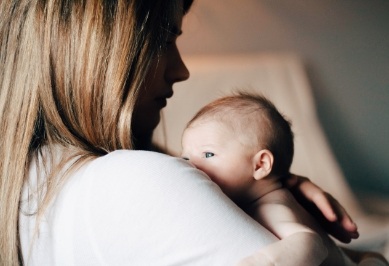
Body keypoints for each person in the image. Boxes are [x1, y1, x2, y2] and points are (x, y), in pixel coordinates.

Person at [0, 0, 361, 265]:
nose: (181, 70)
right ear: (93, 49)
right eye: (163, 39)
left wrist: (269, 189)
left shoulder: (28, 182)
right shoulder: (132, 179)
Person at [181, 91, 389, 266]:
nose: (191, 164)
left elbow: (309, 242)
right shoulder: (259, 198)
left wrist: (262, 261)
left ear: (260, 165)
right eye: (185, 157)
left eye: (208, 154)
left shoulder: (272, 206)